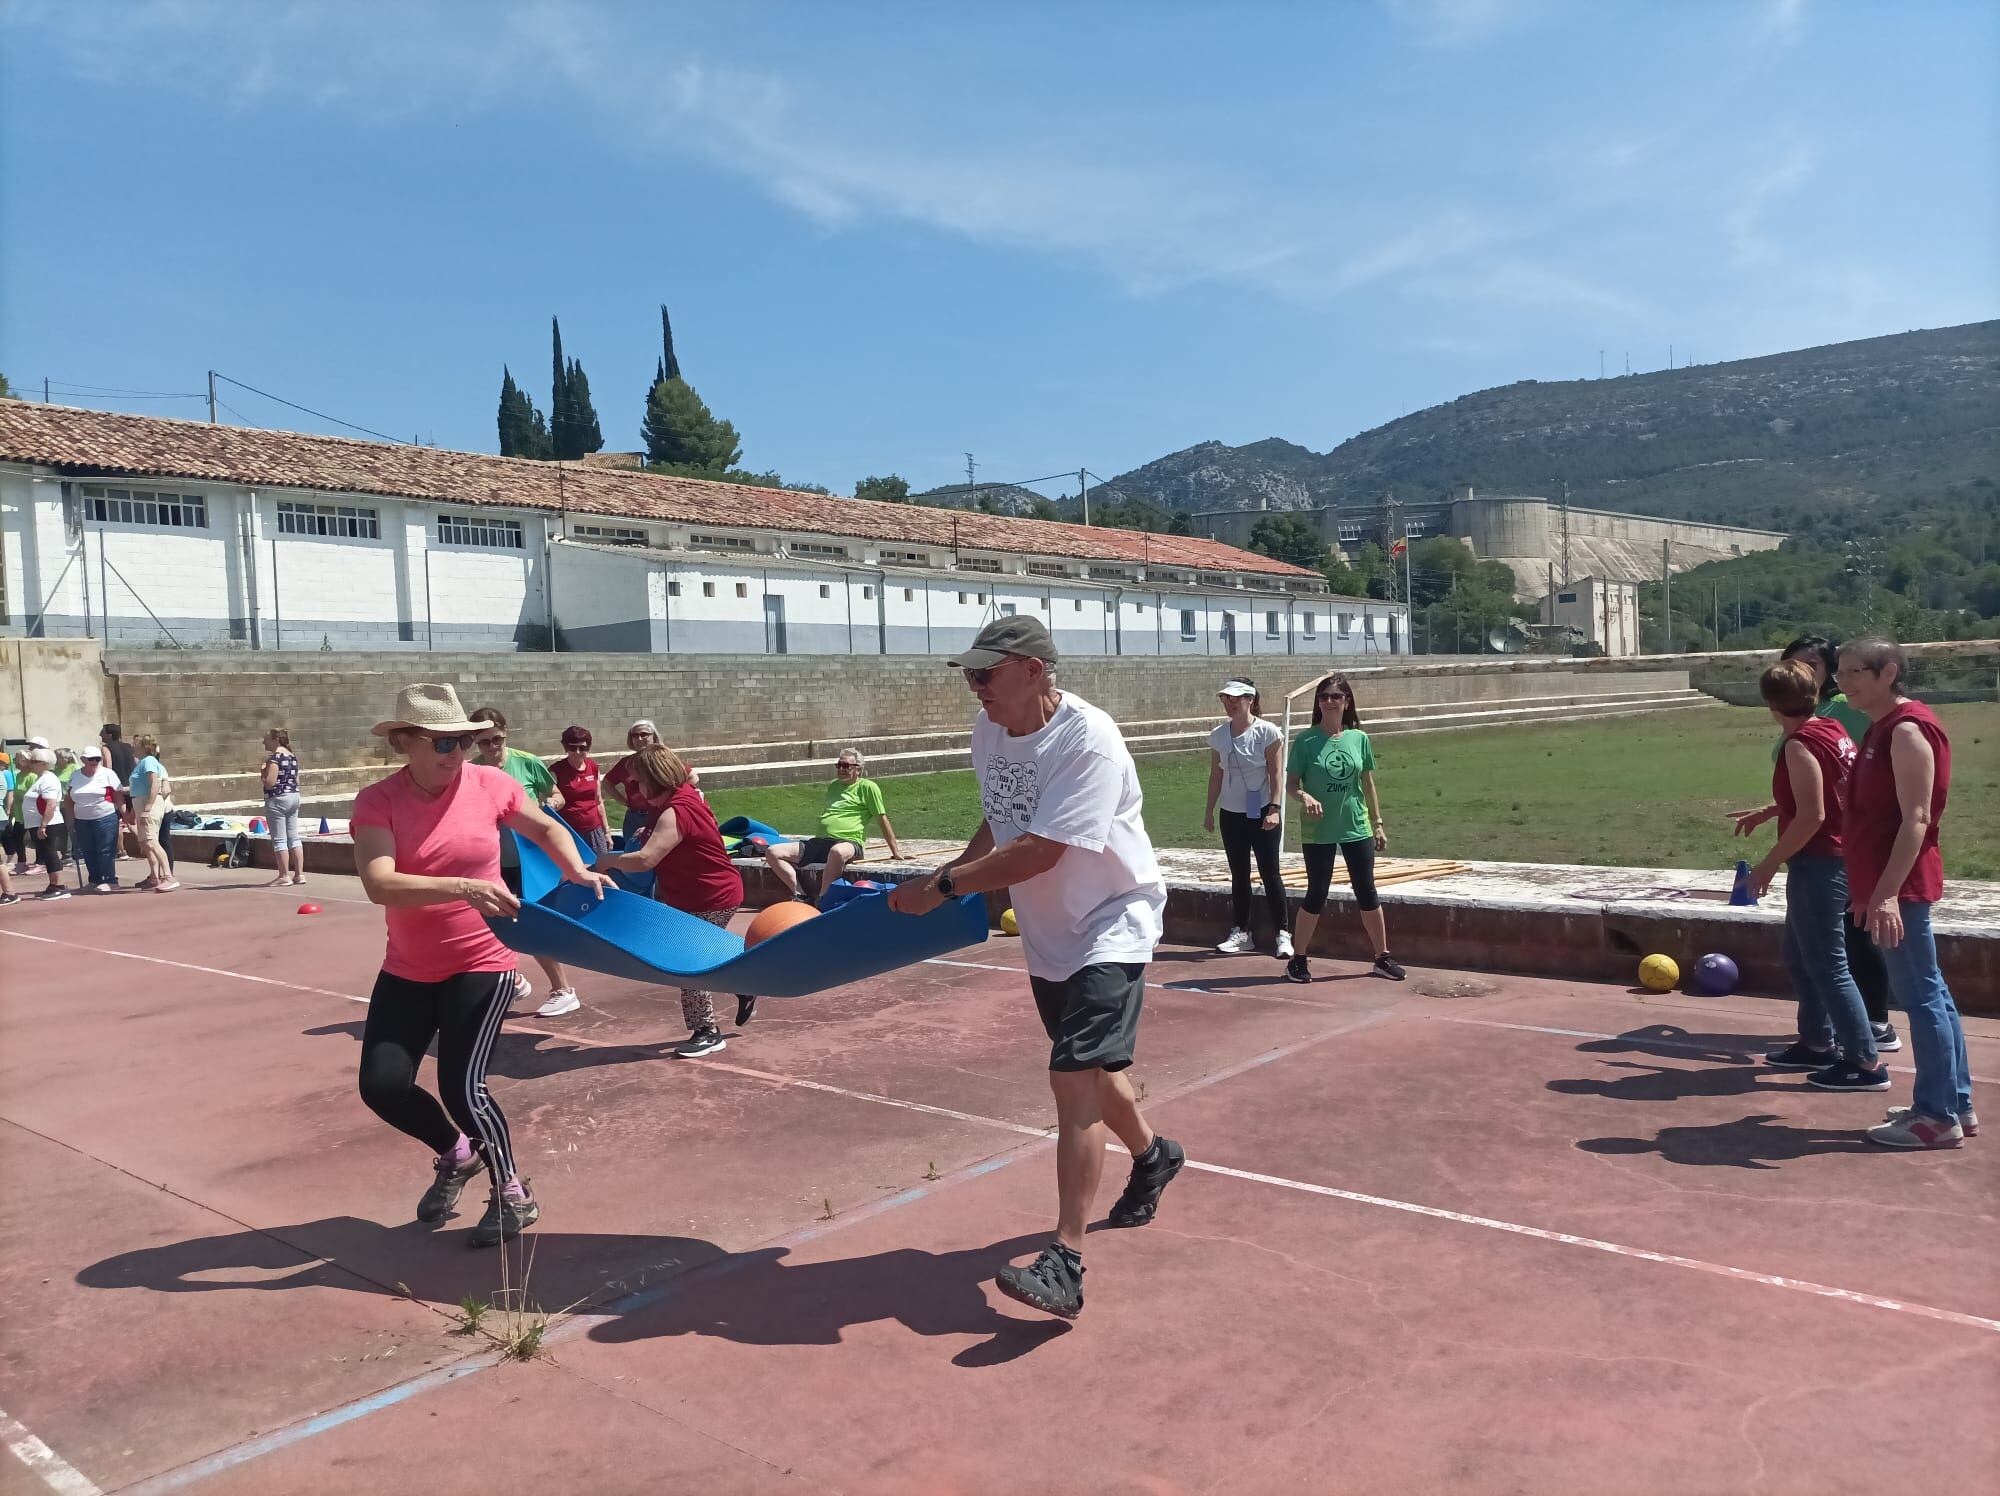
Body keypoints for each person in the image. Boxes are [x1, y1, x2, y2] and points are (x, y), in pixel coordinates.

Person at [889, 616, 1179, 1321]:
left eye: (985, 673)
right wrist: (953, 871)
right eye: (969, 674)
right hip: (1049, 932)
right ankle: (1153, 1155)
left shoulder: (1089, 740)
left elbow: (1042, 849)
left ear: (1034, 670)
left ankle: (1065, 1264)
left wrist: (945, 889)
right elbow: (1003, 819)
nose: (974, 686)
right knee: (1096, 1073)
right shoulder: (989, 733)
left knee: (1071, 1075)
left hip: (1113, 917)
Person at [352, 683, 612, 1247]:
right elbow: (380, 883)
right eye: (444, 743)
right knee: (382, 1085)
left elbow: (545, 827)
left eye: (464, 742)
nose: (457, 754)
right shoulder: (379, 801)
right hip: (409, 965)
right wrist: (462, 887)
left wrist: (576, 869)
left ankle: (513, 1192)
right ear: (405, 742)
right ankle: (456, 1153)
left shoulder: (492, 783)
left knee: (462, 1087)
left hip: (483, 959)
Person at [1835, 639, 1974, 1150]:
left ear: (1888, 672)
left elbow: (1917, 820)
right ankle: (1953, 1102)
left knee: (1921, 998)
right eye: (1841, 672)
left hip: (1902, 887)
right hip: (1885, 884)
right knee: (1930, 993)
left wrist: (1888, 895)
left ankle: (1936, 1116)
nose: (1843, 681)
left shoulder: (1908, 731)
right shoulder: (1881, 729)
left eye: (1855, 672)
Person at [1730, 635, 1897, 1054]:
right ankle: (1816, 1040)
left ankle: (1862, 1059)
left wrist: (1768, 864)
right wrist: (1771, 810)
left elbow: (1813, 816)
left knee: (1827, 963)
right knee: (1800, 954)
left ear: (1770, 706)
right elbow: (1832, 791)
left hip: (1822, 861)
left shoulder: (1798, 745)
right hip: (1839, 856)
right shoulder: (1830, 728)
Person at [600, 745, 747, 1057]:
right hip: (694, 895)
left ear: (655, 779)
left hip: (711, 896)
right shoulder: (673, 800)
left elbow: (646, 860)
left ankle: (707, 1031)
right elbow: (667, 833)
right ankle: (744, 983)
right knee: (701, 957)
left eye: (638, 781)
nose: (635, 789)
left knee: (686, 962)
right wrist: (646, 830)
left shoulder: (676, 809)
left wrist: (606, 861)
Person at [1284, 673, 1404, 984]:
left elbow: (1367, 782)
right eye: (1323, 696)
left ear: (1346, 701)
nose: (1329, 701)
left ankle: (1382, 957)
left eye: (1336, 696)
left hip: (1356, 825)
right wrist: (1305, 795)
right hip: (1319, 830)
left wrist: (1378, 824)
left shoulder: (1358, 739)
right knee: (1316, 893)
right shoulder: (1306, 741)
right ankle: (1298, 960)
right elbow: (1291, 784)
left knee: (1366, 890)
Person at [469, 707, 581, 1019]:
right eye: (485, 742)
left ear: (506, 733)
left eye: (498, 739)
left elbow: (557, 794)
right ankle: (513, 981)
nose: (493, 747)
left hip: (530, 859)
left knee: (531, 922)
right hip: (492, 859)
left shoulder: (526, 762)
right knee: (490, 921)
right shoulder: (470, 771)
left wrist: (549, 804)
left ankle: (563, 989)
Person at [1203, 678, 1289, 959]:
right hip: (1232, 812)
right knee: (1239, 873)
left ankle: (1282, 933)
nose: (1229, 704)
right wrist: (1209, 811)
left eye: (1235, 699)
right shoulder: (1219, 735)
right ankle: (1241, 931)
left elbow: (1275, 773)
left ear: (1249, 700)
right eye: (1225, 699)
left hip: (1259, 807)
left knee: (1270, 872)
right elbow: (1216, 775)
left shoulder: (1267, 732)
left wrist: (1274, 808)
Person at [764, 748, 906, 901]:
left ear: (858, 769)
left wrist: (895, 852)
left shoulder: (868, 787)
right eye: (839, 765)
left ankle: (823, 898)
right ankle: (800, 894)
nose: (841, 769)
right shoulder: (833, 786)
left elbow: (882, 819)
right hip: (820, 842)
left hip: (849, 842)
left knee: (837, 852)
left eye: (846, 766)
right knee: (773, 852)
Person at [65, 745, 124, 893]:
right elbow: (69, 799)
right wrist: (70, 820)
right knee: (88, 850)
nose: (94, 761)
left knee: (105, 849)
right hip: (82, 819)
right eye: (91, 759)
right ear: (83, 759)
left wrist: (125, 814)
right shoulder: (75, 775)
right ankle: (95, 879)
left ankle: (110, 880)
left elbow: (118, 795)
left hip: (105, 817)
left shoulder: (108, 774)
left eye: (97, 759)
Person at [551, 726, 612, 859]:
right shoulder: (556, 770)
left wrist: (606, 831)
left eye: (583, 748)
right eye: (573, 748)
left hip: (594, 829)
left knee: (601, 865)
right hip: (569, 831)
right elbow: (551, 802)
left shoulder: (593, 767)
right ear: (566, 747)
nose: (578, 752)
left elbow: (599, 801)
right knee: (574, 870)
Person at [128, 734, 179, 892]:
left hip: (148, 804)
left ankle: (168, 877)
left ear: (143, 747)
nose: (133, 747)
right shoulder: (142, 763)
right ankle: (155, 877)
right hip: (140, 802)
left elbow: (154, 784)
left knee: (151, 841)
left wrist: (147, 808)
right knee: (145, 842)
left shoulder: (149, 761)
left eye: (136, 745)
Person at [19, 746, 71, 901]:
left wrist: (43, 825)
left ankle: (59, 886)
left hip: (48, 823)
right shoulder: (40, 778)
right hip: (38, 823)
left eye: (34, 761)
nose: (31, 764)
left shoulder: (48, 779)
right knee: (46, 853)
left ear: (44, 763)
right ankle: (53, 884)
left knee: (50, 853)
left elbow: (51, 804)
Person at [603, 719, 666, 846]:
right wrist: (624, 801)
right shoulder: (626, 763)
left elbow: (691, 777)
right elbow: (607, 783)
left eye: (644, 734)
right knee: (631, 852)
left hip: (659, 815)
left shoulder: (664, 759)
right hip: (634, 818)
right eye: (635, 735)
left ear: (653, 736)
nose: (639, 738)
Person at [261, 728, 306, 887]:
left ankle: (284, 875)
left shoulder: (274, 759)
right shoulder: (292, 757)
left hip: (278, 799)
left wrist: (263, 773)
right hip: (294, 797)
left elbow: (270, 782)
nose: (263, 742)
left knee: (280, 839)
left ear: (276, 740)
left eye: (266, 739)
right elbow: (297, 781)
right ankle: (299, 874)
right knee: (294, 837)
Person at [101, 723, 137, 863]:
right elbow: (134, 764)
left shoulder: (106, 748)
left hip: (117, 787)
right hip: (131, 787)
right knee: (131, 820)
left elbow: (108, 767)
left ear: (109, 735)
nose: (100, 735)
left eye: (102, 732)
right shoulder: (128, 747)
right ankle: (146, 845)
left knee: (117, 821)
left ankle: (121, 851)